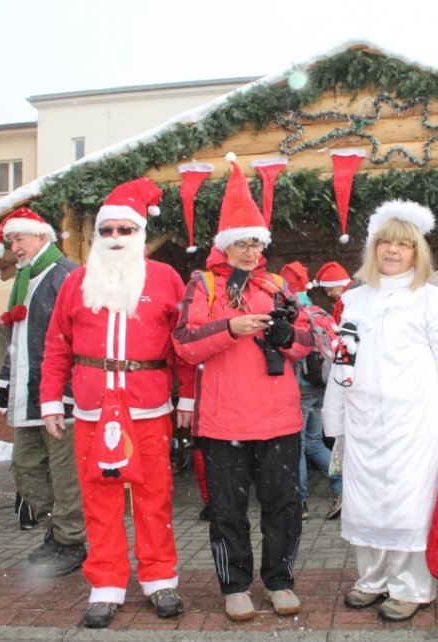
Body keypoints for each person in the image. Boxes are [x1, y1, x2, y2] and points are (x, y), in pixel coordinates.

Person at [40, 178, 190, 628]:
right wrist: (50, 401)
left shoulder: (165, 278)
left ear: (140, 233)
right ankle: (106, 585)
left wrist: (189, 395)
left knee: (154, 497)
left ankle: (159, 579)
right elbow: (57, 345)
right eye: (107, 231)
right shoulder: (77, 282)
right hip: (92, 407)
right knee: (99, 500)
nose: (115, 238)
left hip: (149, 407)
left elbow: (182, 343)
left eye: (125, 230)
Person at [173, 153, 312, 622]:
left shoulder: (277, 286)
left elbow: (308, 343)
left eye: (256, 243)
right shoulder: (203, 285)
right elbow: (184, 344)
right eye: (241, 244)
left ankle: (279, 580)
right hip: (223, 421)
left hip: (279, 419)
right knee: (227, 511)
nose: (250, 252)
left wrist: (285, 336)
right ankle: (235, 586)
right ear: (225, 246)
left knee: (284, 507)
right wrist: (231, 328)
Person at [322, 199, 438, 623]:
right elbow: (342, 360)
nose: (392, 250)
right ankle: (372, 578)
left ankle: (411, 586)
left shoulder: (430, 299)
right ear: (373, 248)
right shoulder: (354, 300)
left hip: (417, 423)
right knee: (365, 502)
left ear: (416, 252)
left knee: (410, 506)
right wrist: (334, 418)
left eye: (403, 245)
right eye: (385, 242)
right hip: (364, 422)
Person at [0, 207, 86, 576]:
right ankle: (55, 531)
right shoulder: (25, 278)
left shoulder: (65, 274)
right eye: (10, 241)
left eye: (19, 238)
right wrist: (5, 382)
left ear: (41, 236)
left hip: (60, 397)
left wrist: (71, 389)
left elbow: (80, 338)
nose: (14, 246)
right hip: (28, 396)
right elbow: (19, 339)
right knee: (26, 468)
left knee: (64, 474)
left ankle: (71, 540)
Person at [280, 260, 343, 521]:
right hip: (322, 386)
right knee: (316, 443)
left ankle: (301, 502)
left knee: (299, 446)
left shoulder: (290, 313)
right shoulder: (320, 312)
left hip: (299, 389)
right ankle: (342, 488)